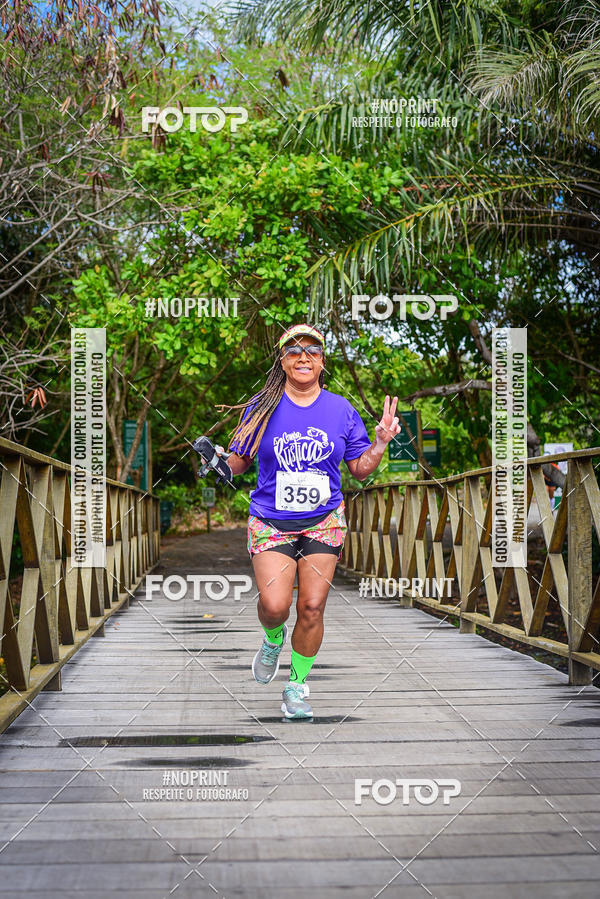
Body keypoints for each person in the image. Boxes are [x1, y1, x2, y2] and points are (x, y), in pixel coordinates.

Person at [221, 324, 400, 719]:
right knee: (274, 604)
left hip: (323, 520)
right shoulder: (261, 407)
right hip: (271, 519)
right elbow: (238, 461)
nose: (303, 357)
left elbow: (361, 470)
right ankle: (272, 639)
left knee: (313, 605)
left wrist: (382, 441)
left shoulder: (341, 409)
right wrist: (219, 464)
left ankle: (296, 687)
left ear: (322, 361)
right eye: (293, 351)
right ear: (282, 362)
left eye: (312, 350)